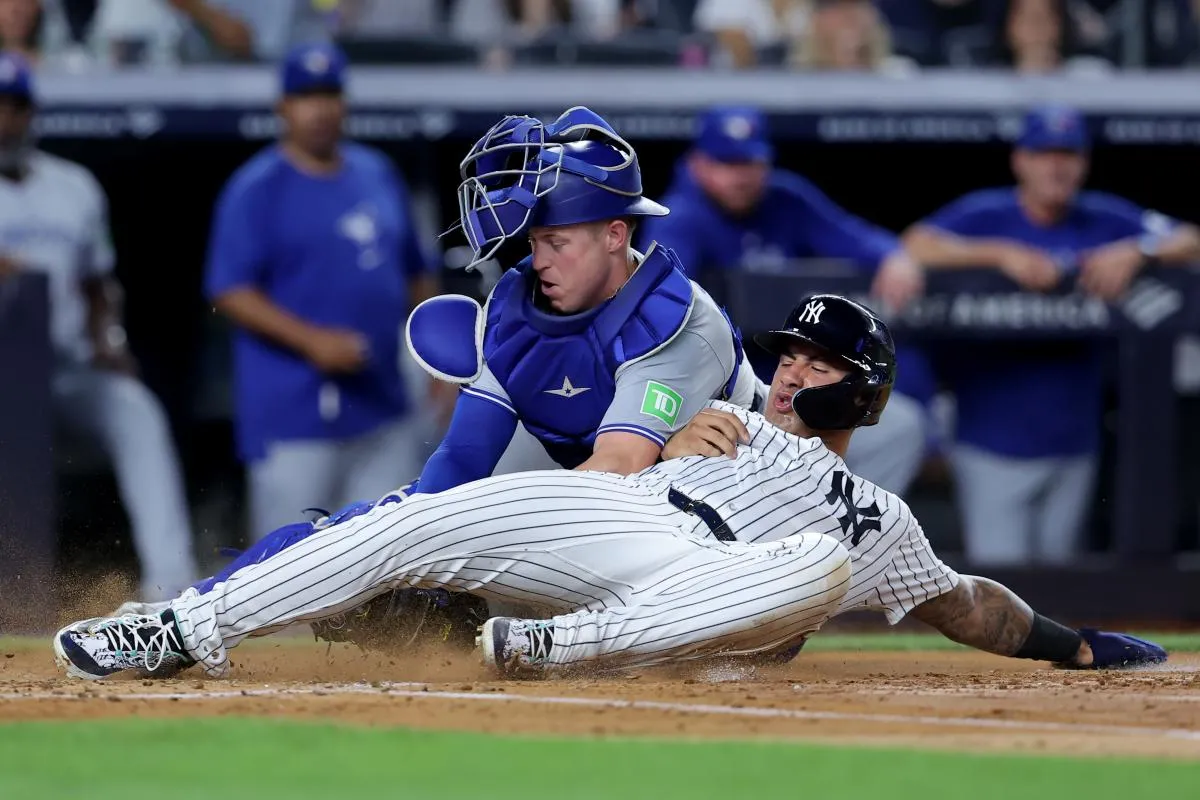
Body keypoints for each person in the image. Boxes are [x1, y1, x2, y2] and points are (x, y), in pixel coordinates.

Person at [52, 294, 1165, 680]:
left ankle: (543, 646)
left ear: (862, 395)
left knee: (820, 565)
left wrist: (1081, 646)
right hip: (629, 522)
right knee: (414, 517)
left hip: (717, 586)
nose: (789, 369)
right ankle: (178, 626)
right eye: (786, 354)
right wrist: (675, 445)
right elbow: (628, 439)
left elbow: (972, 604)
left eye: (817, 363)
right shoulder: (727, 414)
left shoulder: (882, 517)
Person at [111, 105, 756, 629]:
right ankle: (189, 612)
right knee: (379, 525)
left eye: (557, 242)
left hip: (730, 562)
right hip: (612, 531)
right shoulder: (519, 308)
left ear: (616, 235)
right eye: (533, 242)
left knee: (462, 554)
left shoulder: (674, 321)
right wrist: (394, 543)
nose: (540, 261)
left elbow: (610, 478)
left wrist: (456, 549)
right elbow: (455, 468)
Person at [901, 104, 1200, 566]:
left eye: (1068, 154)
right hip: (991, 442)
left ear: (1083, 162)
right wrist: (999, 254)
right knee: (1002, 588)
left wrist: (1139, 251)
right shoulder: (988, 213)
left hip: (1075, 441)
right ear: (1021, 161)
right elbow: (916, 243)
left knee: (1062, 588)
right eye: (1044, 153)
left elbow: (1189, 238)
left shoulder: (1103, 218)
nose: (1056, 166)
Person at [203, 42, 438, 542]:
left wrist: (439, 361)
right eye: (307, 95)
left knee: (393, 561)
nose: (321, 108)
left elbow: (419, 274)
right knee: (287, 569)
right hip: (293, 412)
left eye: (330, 93)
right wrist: (313, 341)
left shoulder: (376, 173)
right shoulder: (257, 188)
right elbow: (229, 290)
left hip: (382, 406)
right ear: (283, 107)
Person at [638, 104, 928, 496]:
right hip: (725, 392)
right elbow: (667, 319)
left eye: (750, 163)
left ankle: (843, 526)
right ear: (697, 164)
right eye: (727, 163)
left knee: (901, 427)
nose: (741, 176)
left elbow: (854, 236)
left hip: (797, 386)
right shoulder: (679, 218)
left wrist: (894, 255)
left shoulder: (785, 198)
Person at [0, 51, 198, 601]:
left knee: (137, 412)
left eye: (15, 107)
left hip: (65, 366)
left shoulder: (74, 186)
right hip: (3, 378)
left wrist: (109, 338)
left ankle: (171, 588)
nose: (5, 119)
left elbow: (98, 284)